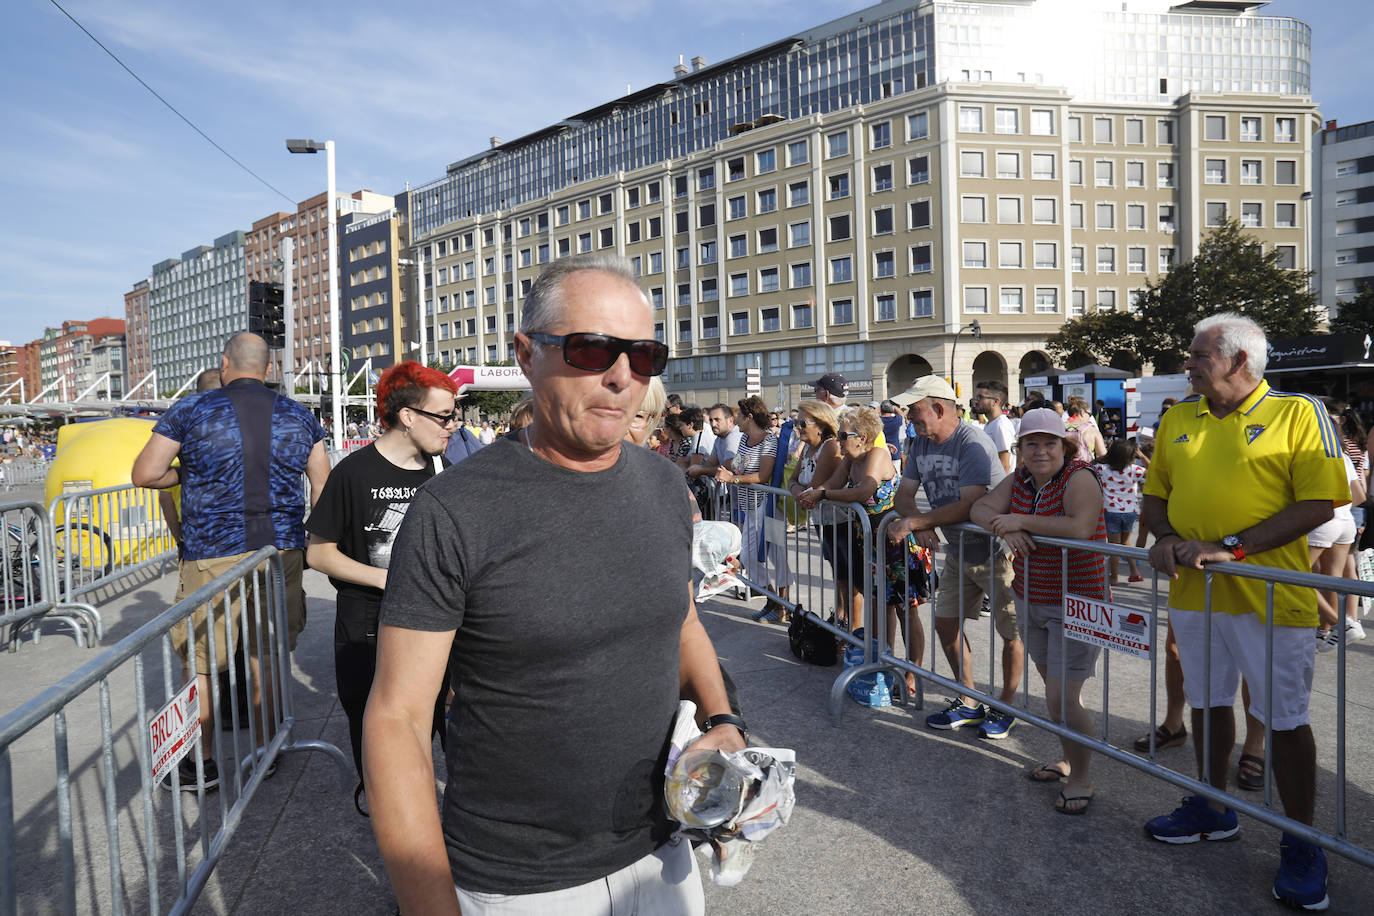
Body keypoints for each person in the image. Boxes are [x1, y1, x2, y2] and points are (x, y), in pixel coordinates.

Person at [362, 254, 743, 915]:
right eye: (591, 349)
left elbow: (680, 621)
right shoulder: (454, 511)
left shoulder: (663, 486)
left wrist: (725, 720)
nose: (622, 376)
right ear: (526, 355)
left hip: (662, 853)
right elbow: (397, 720)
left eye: (643, 355)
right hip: (520, 883)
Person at [1140, 313, 1348, 911]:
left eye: (1199, 354)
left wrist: (1230, 548)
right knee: (1206, 703)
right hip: (1193, 594)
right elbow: (1157, 496)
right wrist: (1162, 536)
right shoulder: (1180, 415)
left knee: (1284, 719)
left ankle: (1303, 842)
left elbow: (1319, 502)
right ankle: (1211, 805)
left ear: (1238, 361)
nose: (1188, 361)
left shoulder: (1298, 412)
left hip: (1269, 594)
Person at [132, 332, 329, 791]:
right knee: (265, 652)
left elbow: (146, 474)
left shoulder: (191, 409)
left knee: (200, 662)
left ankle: (199, 764)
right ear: (269, 369)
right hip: (279, 550)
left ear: (225, 365)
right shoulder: (301, 417)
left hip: (211, 553)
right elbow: (322, 483)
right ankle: (267, 749)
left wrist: (192, 471)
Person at [304, 362, 457, 813]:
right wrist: (389, 578)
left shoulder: (442, 469)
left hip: (435, 626)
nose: (454, 426)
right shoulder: (354, 473)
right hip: (369, 625)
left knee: (431, 718)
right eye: (444, 416)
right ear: (408, 416)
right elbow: (319, 553)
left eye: (454, 415)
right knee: (375, 723)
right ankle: (384, 800)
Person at [971, 408, 1107, 814]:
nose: (1041, 450)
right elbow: (979, 508)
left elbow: (1080, 527)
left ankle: (1081, 776)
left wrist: (1018, 520)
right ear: (1021, 448)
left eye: (1050, 442)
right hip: (1033, 597)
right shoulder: (1022, 479)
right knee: (1057, 697)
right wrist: (1005, 525)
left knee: (1061, 699)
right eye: (1032, 443)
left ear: (1065, 445)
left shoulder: (1079, 476)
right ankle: (1069, 759)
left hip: (1078, 603)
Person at [887, 376, 1025, 740]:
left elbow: (971, 502)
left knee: (1011, 631)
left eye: (914, 409)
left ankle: (1006, 707)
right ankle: (969, 700)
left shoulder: (972, 441)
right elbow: (903, 495)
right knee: (945, 624)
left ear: (938, 408)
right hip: (960, 550)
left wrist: (919, 520)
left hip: (998, 553)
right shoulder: (919, 443)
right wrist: (916, 525)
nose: (908, 415)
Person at [803, 407, 931, 679]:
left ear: (861, 437)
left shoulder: (877, 454)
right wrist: (818, 492)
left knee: (906, 610)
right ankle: (885, 663)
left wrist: (822, 493)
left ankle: (912, 674)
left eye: (842, 434)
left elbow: (862, 491)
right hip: (871, 543)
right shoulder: (851, 459)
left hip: (898, 543)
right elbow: (833, 485)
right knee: (880, 608)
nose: (838, 439)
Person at [716, 396, 786, 620]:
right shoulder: (745, 439)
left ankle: (781, 606)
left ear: (749, 417)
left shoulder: (769, 441)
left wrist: (732, 478)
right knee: (748, 557)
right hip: (751, 507)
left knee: (778, 557)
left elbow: (763, 475)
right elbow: (739, 465)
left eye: (738, 416)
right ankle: (774, 601)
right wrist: (724, 469)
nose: (736, 420)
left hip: (768, 507)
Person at [1096, 438, 1147, 584]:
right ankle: (1135, 572)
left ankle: (1114, 576)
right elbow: (1153, 471)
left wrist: (1106, 456)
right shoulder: (1135, 470)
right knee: (1125, 543)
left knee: (1114, 547)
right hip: (1131, 512)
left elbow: (1090, 464)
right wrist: (1142, 456)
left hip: (1111, 511)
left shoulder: (1102, 469)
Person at [974, 380, 1014, 472]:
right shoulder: (991, 424)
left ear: (995, 401)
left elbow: (1005, 464)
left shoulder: (1001, 424)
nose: (976, 401)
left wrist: (1001, 486)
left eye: (980, 397)